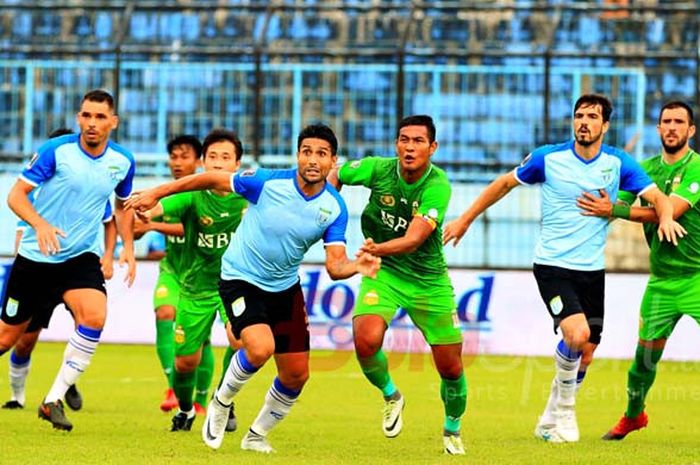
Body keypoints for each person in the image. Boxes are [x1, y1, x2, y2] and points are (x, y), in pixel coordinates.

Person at [443, 94, 683, 443]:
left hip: (591, 271)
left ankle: (547, 418)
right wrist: (465, 219)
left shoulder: (619, 163)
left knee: (586, 351)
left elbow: (658, 198)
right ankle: (566, 414)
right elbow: (503, 184)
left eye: (592, 116)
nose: (583, 122)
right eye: (579, 115)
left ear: (606, 125)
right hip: (553, 266)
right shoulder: (548, 158)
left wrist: (664, 219)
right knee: (577, 334)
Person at [126, 123, 380, 453]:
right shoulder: (267, 182)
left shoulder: (335, 208)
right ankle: (220, 401)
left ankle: (256, 435)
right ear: (297, 155)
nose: (313, 160)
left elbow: (335, 265)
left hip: (285, 287)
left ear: (333, 161)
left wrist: (356, 267)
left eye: (321, 154)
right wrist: (158, 192)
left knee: (296, 376)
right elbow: (210, 179)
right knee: (259, 348)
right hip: (240, 277)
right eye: (307, 152)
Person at [331, 114, 467, 455]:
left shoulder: (438, 185)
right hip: (385, 272)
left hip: (428, 281)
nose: (409, 147)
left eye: (418, 141)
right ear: (396, 144)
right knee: (365, 339)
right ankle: (391, 395)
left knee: (450, 367)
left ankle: (452, 429)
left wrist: (376, 248)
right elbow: (336, 174)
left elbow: (414, 238)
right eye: (404, 139)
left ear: (432, 147)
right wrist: (327, 210)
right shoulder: (377, 169)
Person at [1, 89, 136, 432]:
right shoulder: (55, 151)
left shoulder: (123, 161)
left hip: (79, 258)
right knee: (7, 339)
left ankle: (52, 400)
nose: (92, 123)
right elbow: (15, 196)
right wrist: (40, 224)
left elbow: (121, 206)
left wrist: (126, 250)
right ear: (78, 118)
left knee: (94, 315)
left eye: (100, 117)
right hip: (35, 258)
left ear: (113, 122)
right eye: (86, 116)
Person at [576, 101, 698, 440]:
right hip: (661, 282)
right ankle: (633, 416)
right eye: (665, 122)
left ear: (691, 131)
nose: (671, 127)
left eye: (679, 122)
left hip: (698, 279)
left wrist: (614, 209)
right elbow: (616, 200)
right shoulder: (644, 170)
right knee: (642, 363)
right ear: (658, 129)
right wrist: (607, 204)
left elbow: (670, 209)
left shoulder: (697, 169)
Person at [134, 129, 246, 432]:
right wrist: (148, 211)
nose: (219, 163)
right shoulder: (191, 195)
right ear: (203, 163)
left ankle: (224, 397)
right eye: (213, 157)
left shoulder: (251, 194)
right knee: (186, 363)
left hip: (235, 286)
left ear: (237, 163)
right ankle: (185, 409)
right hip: (196, 288)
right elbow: (162, 207)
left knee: (243, 341)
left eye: (226, 157)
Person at [133, 135, 219, 417]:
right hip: (172, 270)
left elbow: (186, 229)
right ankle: (172, 387)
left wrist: (153, 226)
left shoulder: (205, 194)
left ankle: (202, 401)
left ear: (198, 162)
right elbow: (138, 227)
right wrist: (134, 228)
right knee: (164, 313)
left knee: (202, 339)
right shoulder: (163, 193)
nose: (178, 163)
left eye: (185, 157)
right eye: (174, 157)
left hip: (202, 276)